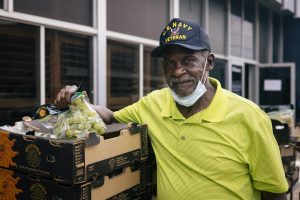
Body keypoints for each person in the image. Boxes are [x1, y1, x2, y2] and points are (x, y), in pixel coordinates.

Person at [55, 18, 288, 200]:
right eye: (170, 63)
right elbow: (109, 117)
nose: (177, 72)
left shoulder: (248, 116)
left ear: (209, 62)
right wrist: (80, 101)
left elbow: (274, 191)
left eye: (188, 61)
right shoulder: (154, 104)